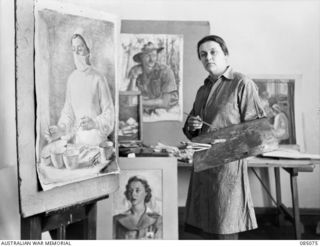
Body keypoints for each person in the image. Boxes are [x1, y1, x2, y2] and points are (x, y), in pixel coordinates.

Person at [183, 35, 266, 240]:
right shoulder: (202, 90)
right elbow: (191, 130)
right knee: (205, 228)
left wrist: (228, 142)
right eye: (203, 54)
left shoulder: (241, 83)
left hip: (227, 169)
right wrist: (192, 125)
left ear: (225, 54)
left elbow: (258, 130)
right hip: (203, 166)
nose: (208, 57)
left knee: (225, 227)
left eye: (213, 52)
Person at [45, 30, 114, 146]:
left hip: (97, 143)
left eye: (80, 49)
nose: (76, 53)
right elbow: (68, 113)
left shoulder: (98, 78)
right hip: (77, 143)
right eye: (73, 49)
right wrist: (60, 129)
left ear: (88, 50)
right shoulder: (72, 79)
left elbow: (109, 113)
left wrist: (94, 123)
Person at [127, 42, 179, 115]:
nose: (152, 60)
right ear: (141, 58)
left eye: (154, 55)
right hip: (147, 110)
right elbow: (130, 100)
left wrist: (139, 102)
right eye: (148, 56)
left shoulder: (165, 71)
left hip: (168, 111)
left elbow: (165, 102)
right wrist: (133, 78)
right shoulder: (135, 71)